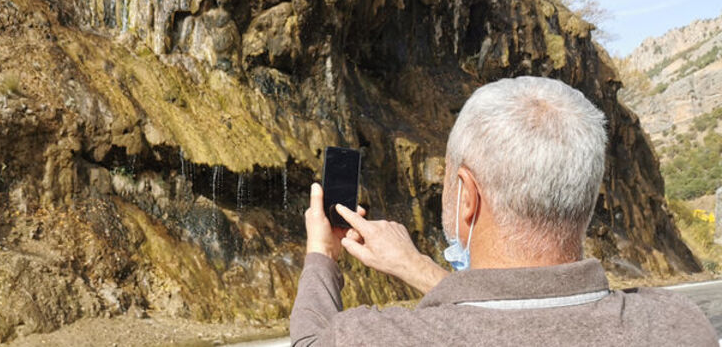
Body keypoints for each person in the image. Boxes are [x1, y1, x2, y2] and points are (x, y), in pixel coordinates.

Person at [291, 76, 717, 346]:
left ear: (468, 197)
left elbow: (310, 339)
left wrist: (323, 256)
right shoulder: (678, 325)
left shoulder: (381, 338)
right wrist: (417, 267)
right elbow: (523, 313)